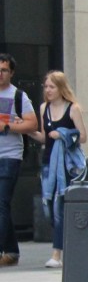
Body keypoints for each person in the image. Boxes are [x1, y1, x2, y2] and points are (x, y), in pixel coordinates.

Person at [30, 71, 88, 269]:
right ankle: (68, 244)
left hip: (68, 166)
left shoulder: (73, 109)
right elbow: (45, 137)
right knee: (48, 208)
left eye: (51, 87)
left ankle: (57, 253)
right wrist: (29, 130)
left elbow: (82, 136)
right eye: (46, 87)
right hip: (48, 164)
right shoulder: (43, 108)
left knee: (59, 209)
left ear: (61, 88)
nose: (48, 90)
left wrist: (62, 134)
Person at [0, 54, 39, 268]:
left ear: (11, 73)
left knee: (2, 203)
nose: (0, 74)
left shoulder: (19, 96)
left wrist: (7, 126)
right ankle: (12, 251)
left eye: (4, 70)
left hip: (10, 156)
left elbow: (32, 124)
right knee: (1, 206)